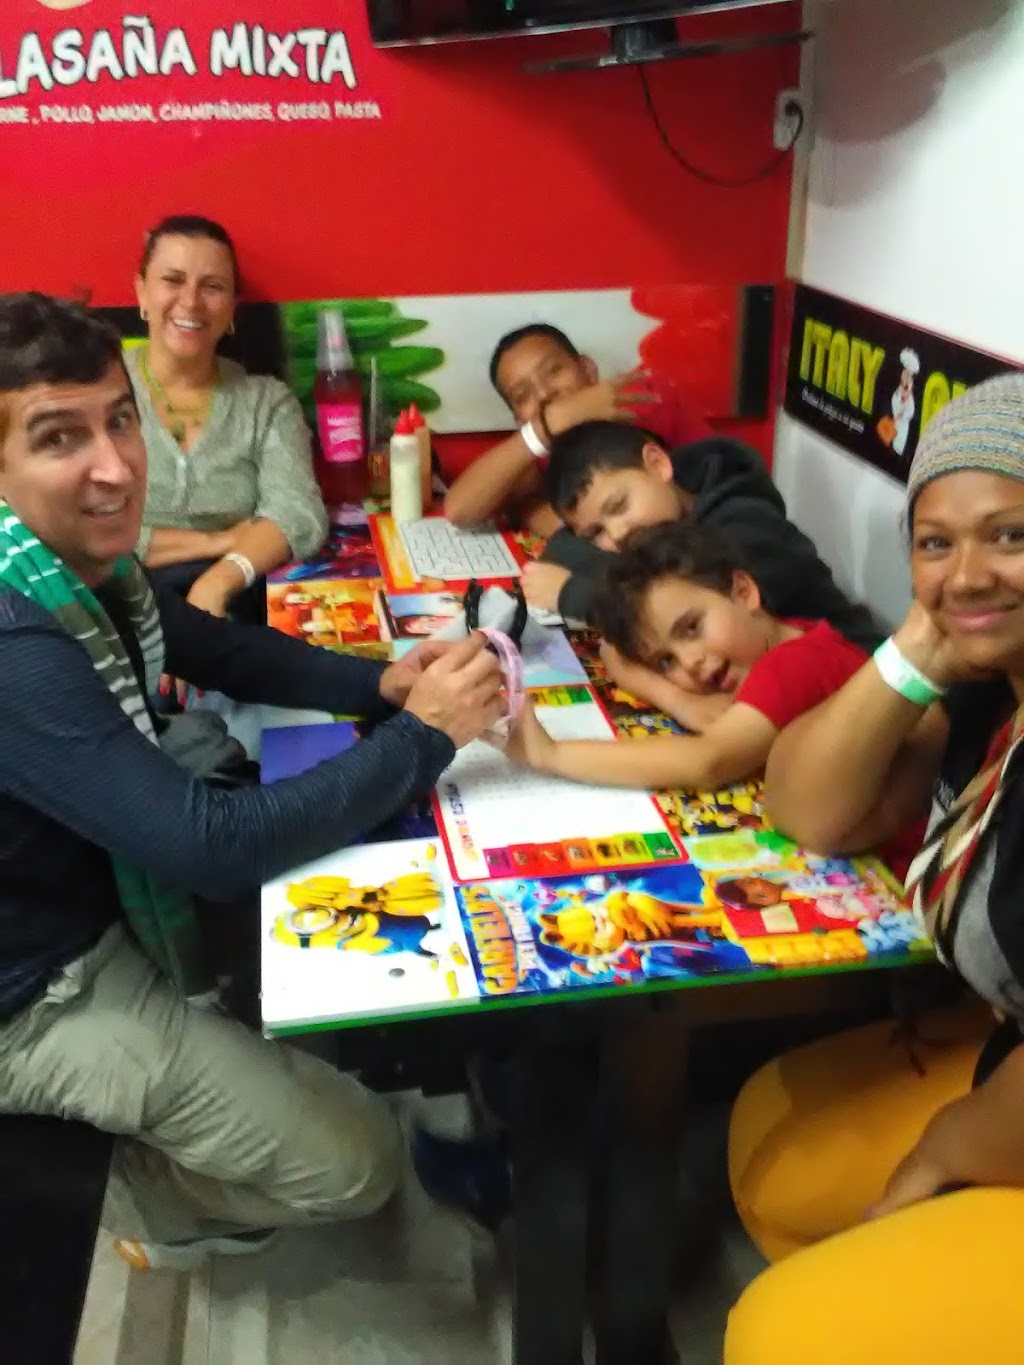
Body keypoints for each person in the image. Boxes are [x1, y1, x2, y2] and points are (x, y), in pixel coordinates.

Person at [0, 292, 504, 1272]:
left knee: (349, 936)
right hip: (36, 992)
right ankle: (107, 1189)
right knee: (359, 1159)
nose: (116, 467)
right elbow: (210, 846)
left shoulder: (69, 568)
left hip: (84, 893)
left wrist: (382, 684)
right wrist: (425, 737)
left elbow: (213, 643)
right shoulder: (16, 638)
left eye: (120, 420)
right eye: (61, 438)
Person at [724, 374, 1024, 1363]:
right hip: (996, 1056)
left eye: (1010, 535)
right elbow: (807, 809)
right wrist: (913, 652)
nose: (966, 575)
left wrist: (945, 1146)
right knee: (768, 1157)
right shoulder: (990, 686)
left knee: (777, 1333)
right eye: (935, 544)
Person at [503, 521, 922, 878]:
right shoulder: (790, 634)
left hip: (897, 873)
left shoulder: (793, 664)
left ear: (743, 591)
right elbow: (614, 653)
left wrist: (550, 754)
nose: (690, 662)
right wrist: (679, 700)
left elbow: (708, 762)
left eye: (691, 628)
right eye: (666, 661)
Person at [523, 421, 882, 646]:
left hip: (864, 682)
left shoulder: (747, 523)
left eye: (618, 505)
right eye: (595, 533)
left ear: (657, 464)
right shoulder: (660, 527)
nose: (616, 535)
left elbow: (678, 618)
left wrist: (575, 595)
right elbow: (563, 546)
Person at [130, 214, 327, 622]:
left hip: (232, 605)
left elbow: (297, 515)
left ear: (232, 308)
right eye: (172, 280)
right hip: (117, 611)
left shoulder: (266, 401)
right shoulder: (95, 392)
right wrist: (216, 541)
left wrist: (218, 581)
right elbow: (71, 531)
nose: (191, 302)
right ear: (142, 292)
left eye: (213, 286)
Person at [442, 322, 708, 538]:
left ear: (588, 370)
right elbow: (459, 510)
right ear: (519, 418)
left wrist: (535, 514)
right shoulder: (545, 443)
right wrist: (546, 428)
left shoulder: (640, 398)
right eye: (522, 395)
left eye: (553, 371)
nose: (544, 394)